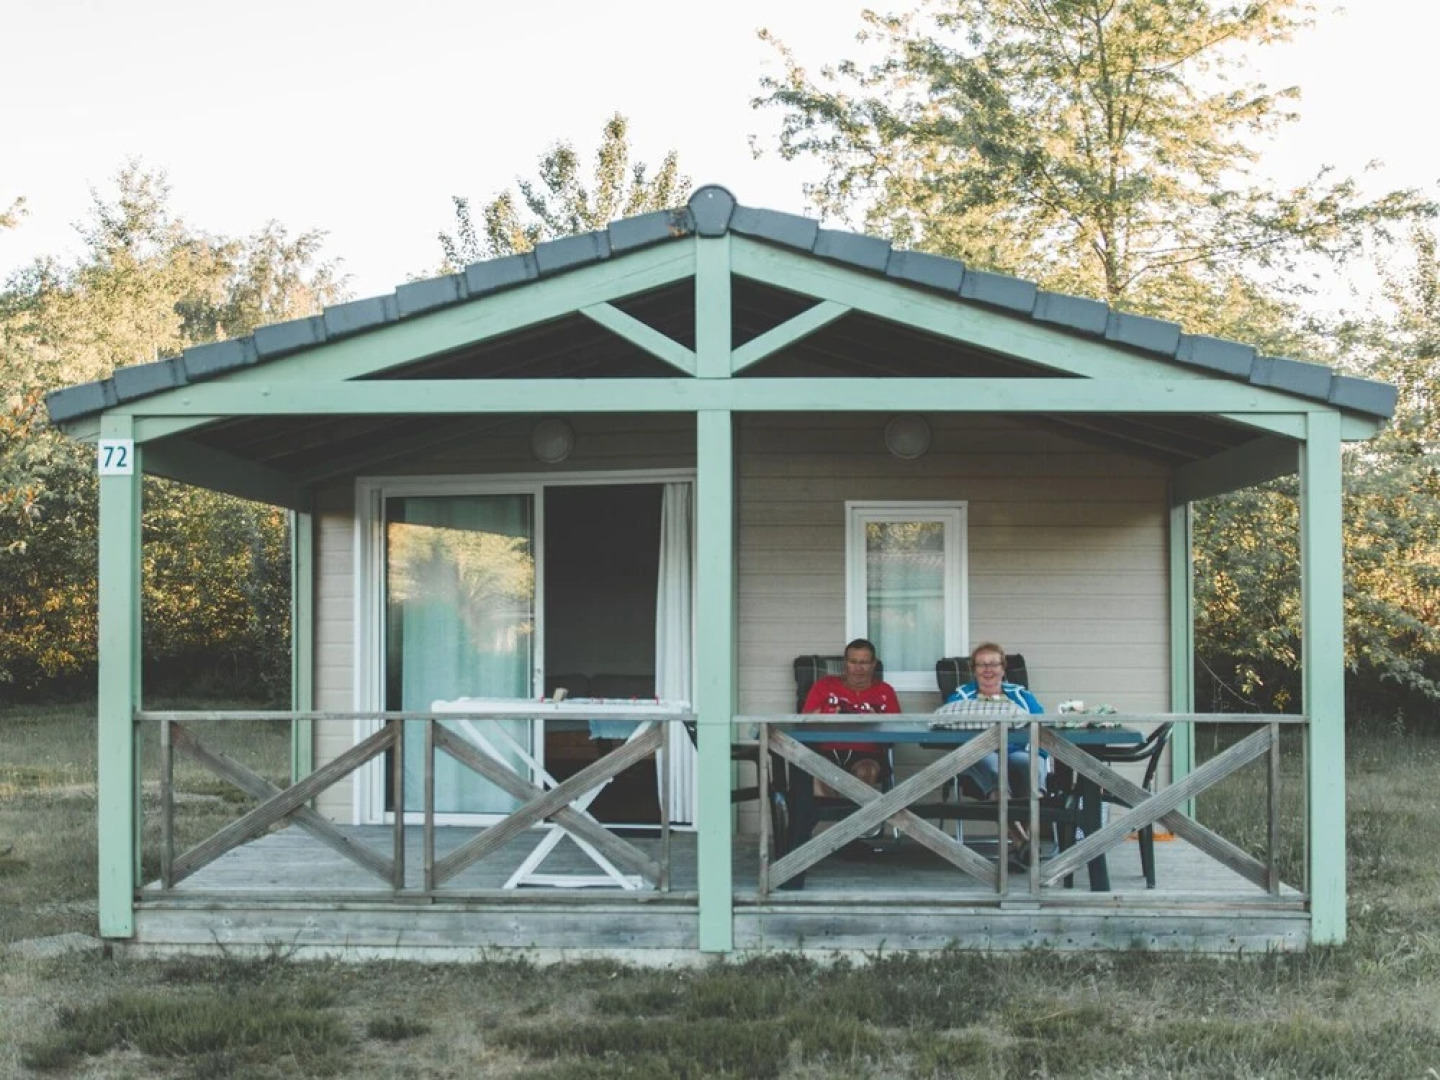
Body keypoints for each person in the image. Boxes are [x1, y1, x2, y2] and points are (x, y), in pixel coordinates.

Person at [941, 641, 1044, 861]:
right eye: (981, 665)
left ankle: (1024, 844)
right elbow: (946, 721)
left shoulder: (1022, 696)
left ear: (1003, 668)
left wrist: (1039, 756)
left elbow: (1040, 728)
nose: (988, 670)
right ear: (974, 670)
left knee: (1031, 765)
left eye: (993, 664)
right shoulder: (960, 697)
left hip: (1017, 752)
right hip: (980, 754)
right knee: (996, 770)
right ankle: (1023, 842)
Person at [800, 637, 899, 789]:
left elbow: (898, 728)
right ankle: (830, 813)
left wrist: (879, 722)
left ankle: (863, 813)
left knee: (867, 771)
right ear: (845, 663)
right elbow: (804, 722)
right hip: (827, 750)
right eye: (853, 662)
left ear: (873, 664)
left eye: (864, 663)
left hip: (866, 752)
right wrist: (825, 714)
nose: (858, 668)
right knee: (820, 773)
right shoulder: (825, 685)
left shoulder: (885, 690)